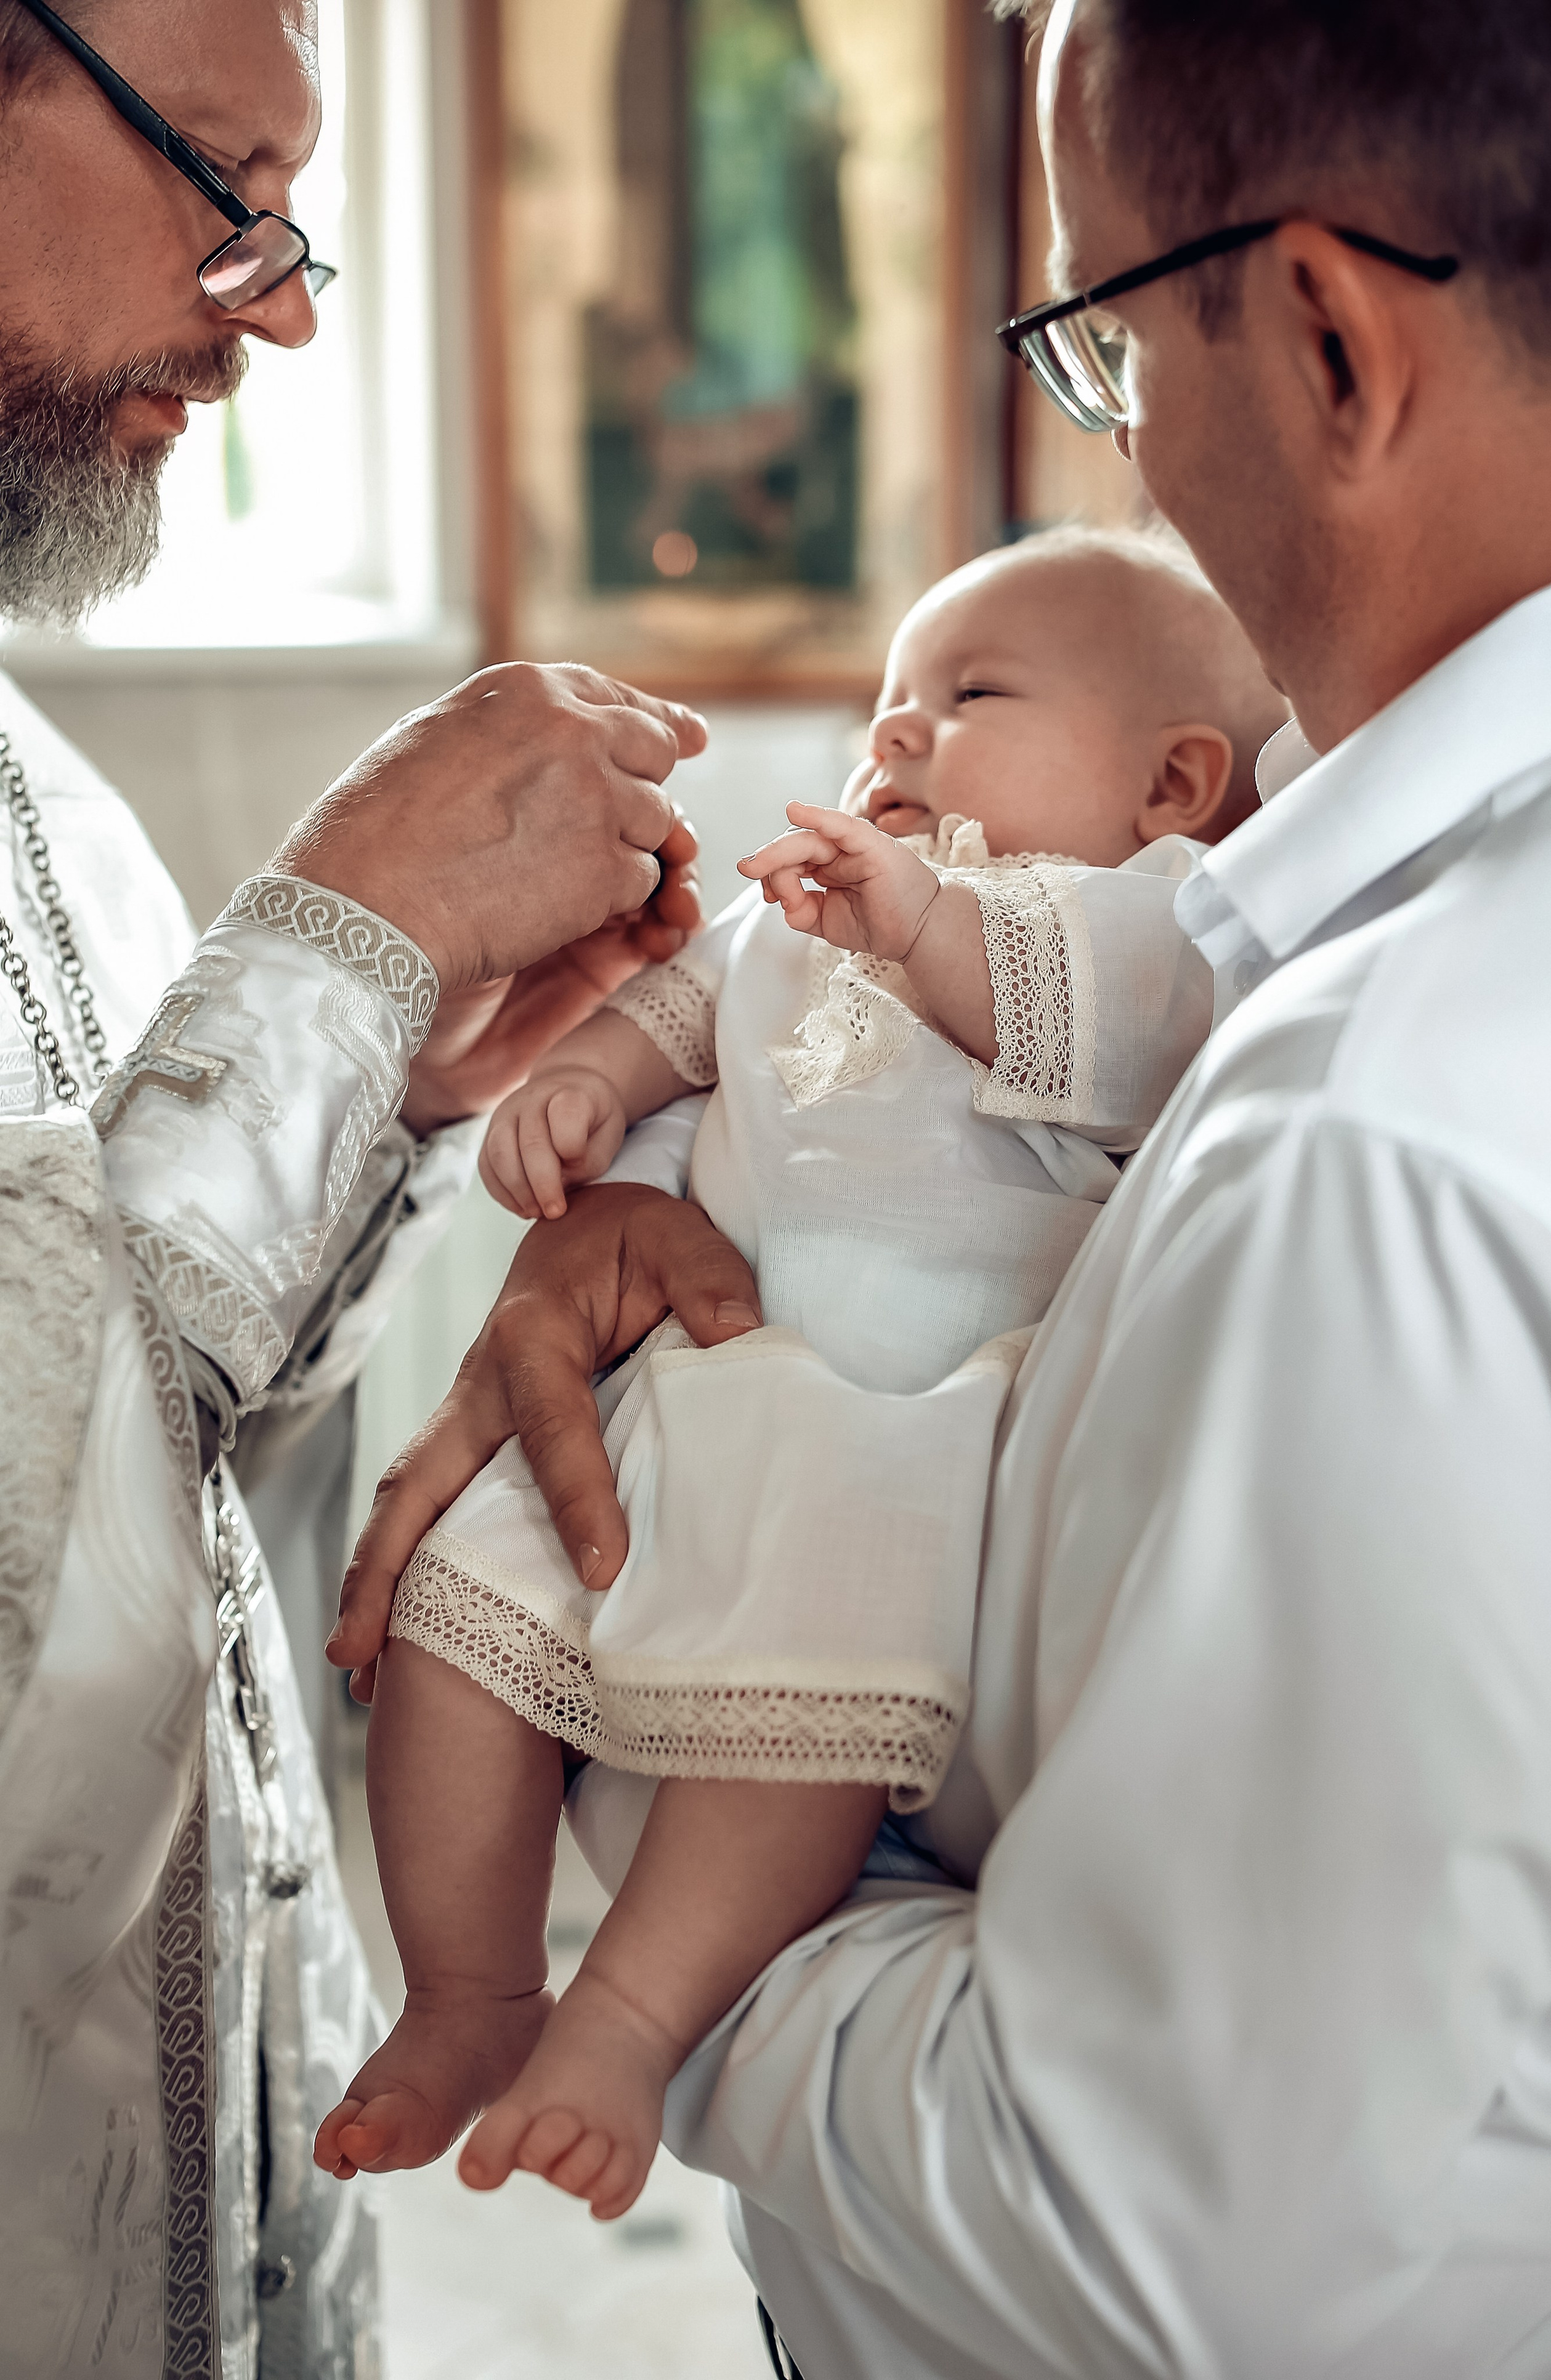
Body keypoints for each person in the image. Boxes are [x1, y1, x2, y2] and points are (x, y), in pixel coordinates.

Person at [333, 0, 1551, 2370]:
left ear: (1327, 336)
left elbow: (1149, 2240)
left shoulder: (1371, 1133)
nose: (1125, 454)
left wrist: (659, 1800)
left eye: (1104, 340)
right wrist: (631, 1173)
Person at [0, 2, 705, 2374]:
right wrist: (322, 944)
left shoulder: (47, 794)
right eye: (220, 180)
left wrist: (390, 1091)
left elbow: (152, 1476)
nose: (288, 304)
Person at [314, 530, 1287, 2217]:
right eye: (889, 700)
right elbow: (689, 1015)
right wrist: (594, 1097)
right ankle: (471, 1991)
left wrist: (921, 919)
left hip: (898, 1440)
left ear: (1173, 781)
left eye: (967, 696)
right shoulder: (807, 914)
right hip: (698, 1393)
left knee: (792, 1729)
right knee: (452, 1609)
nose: (894, 733)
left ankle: (625, 2015)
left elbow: (1106, 1033)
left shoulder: (1146, 930)